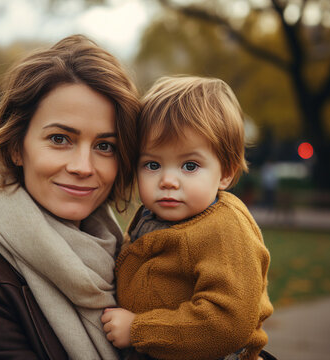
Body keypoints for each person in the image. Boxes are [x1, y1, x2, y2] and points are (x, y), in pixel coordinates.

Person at [0, 35, 140, 359]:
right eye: (60, 139)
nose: (83, 167)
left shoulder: (133, 261)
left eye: (104, 146)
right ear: (17, 147)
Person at [101, 76, 274, 360]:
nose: (168, 180)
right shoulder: (153, 215)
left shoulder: (223, 228)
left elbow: (226, 324)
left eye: (190, 166)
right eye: (152, 164)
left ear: (226, 172)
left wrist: (137, 328)